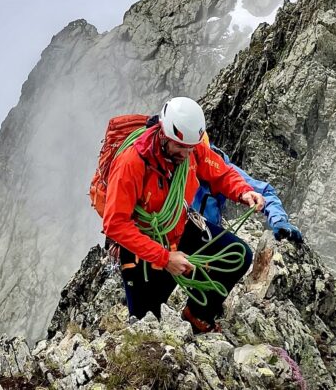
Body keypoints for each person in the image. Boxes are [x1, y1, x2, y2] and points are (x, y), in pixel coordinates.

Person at [102, 96, 264, 333]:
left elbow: (220, 173)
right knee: (147, 323)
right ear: (164, 134)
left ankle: (198, 315)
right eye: (180, 147)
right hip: (143, 246)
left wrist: (244, 192)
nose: (186, 154)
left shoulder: (192, 147)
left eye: (190, 147)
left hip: (179, 227)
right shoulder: (131, 164)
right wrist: (165, 258)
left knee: (239, 254)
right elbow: (116, 224)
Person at [192, 142, 303, 243]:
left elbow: (263, 193)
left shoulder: (218, 165)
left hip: (205, 234)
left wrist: (279, 221)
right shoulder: (179, 160)